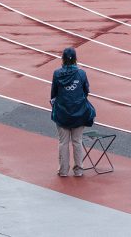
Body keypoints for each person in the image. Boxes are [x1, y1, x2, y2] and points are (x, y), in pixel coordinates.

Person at [50, 47, 96, 178]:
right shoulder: (81, 73)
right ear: (75, 58)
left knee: (63, 142)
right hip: (79, 112)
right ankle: (79, 170)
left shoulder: (57, 73)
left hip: (62, 113)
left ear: (62, 59)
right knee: (77, 141)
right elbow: (86, 91)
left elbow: (53, 94)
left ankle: (63, 170)